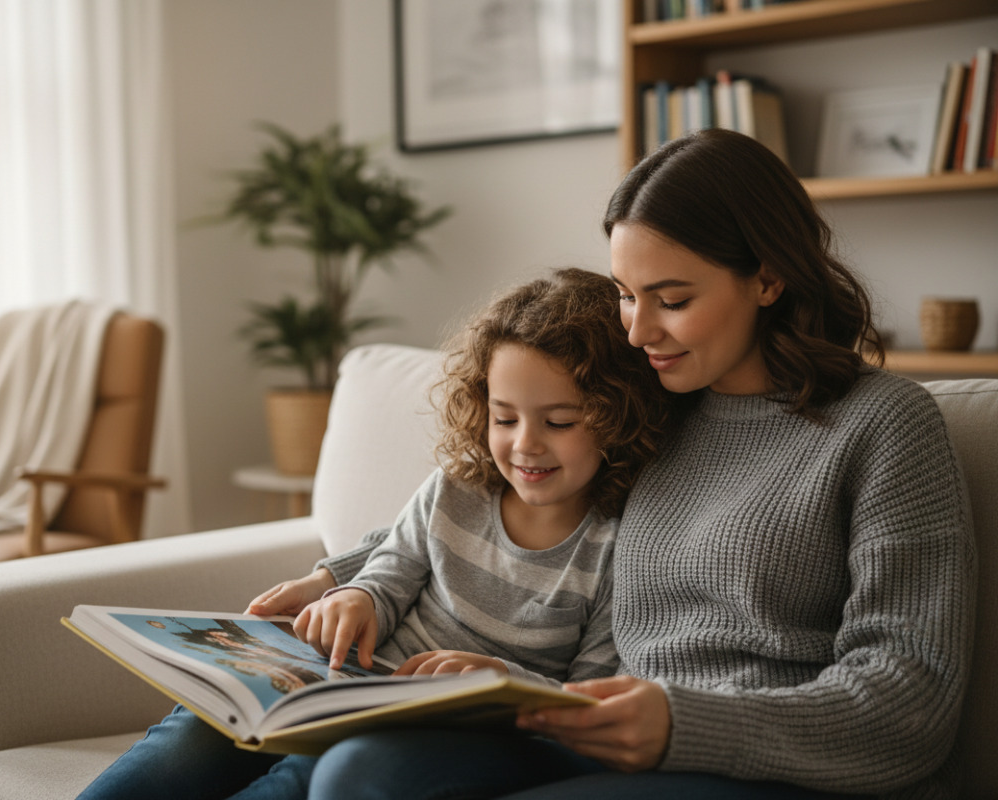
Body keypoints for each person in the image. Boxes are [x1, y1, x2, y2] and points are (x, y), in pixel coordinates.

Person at [262, 129, 976, 800]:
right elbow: (502, 497)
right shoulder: (653, 407)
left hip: (773, 766)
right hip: (599, 729)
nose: (636, 331)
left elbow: (910, 697)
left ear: (767, 278)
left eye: (672, 300)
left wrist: (682, 724)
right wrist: (338, 575)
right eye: (628, 296)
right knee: (362, 771)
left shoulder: (883, 424)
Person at [75, 267, 679, 800]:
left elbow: (588, 694)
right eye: (504, 417)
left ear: (614, 414)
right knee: (193, 730)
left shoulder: (616, 547)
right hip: (343, 680)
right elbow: (391, 570)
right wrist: (354, 597)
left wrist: (502, 680)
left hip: (419, 726)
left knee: (300, 779)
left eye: (560, 421)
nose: (525, 444)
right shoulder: (457, 489)